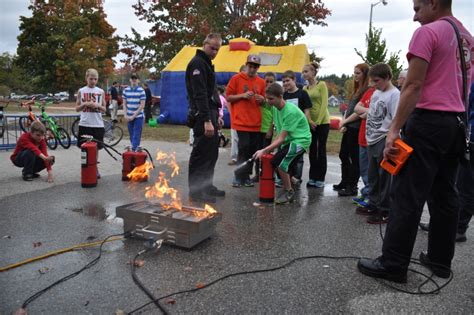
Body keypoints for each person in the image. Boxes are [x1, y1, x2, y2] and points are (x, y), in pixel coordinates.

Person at [358, 0, 473, 283]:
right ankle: (439, 260)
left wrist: (395, 129)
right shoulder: (466, 37)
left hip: (428, 121)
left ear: (433, 4)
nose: (414, 17)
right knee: (445, 194)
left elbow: (413, 84)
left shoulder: (428, 32)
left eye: (417, 8)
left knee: (407, 194)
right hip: (454, 123)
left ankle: (393, 264)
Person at [253, 83, 311, 204]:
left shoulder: (290, 111)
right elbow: (280, 134)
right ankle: (294, 180)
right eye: (267, 98)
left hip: (300, 140)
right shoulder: (275, 107)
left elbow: (281, 138)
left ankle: (289, 191)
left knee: (279, 163)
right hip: (290, 140)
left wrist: (265, 150)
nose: (268, 101)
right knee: (275, 162)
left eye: (271, 99)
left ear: (280, 96)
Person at [186, 33, 225, 203]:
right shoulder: (198, 63)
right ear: (204, 44)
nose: (214, 51)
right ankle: (196, 192)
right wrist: (207, 120)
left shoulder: (207, 64)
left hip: (211, 113)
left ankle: (206, 186)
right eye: (212, 47)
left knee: (211, 154)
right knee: (201, 154)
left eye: (217, 49)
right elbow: (200, 94)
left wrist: (217, 116)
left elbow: (211, 92)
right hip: (203, 115)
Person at [362, 63, 400, 224]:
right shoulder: (377, 92)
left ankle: (385, 210)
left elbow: (396, 118)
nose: (374, 84)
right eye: (372, 81)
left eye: (377, 80)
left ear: (387, 77)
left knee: (384, 177)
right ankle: (373, 204)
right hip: (371, 138)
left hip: (383, 138)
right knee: (372, 176)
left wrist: (390, 141)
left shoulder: (394, 95)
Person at [227, 55, 266, 187]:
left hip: (255, 122)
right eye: (250, 66)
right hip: (241, 121)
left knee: (251, 150)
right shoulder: (236, 78)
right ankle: (238, 176)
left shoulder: (261, 82)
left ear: (258, 68)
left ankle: (246, 176)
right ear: (246, 65)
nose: (252, 68)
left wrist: (263, 100)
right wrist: (242, 95)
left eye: (255, 66)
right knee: (243, 147)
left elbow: (266, 101)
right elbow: (228, 97)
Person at [335, 63, 370, 197]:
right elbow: (350, 109)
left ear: (365, 74)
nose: (355, 76)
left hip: (356, 128)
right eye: (354, 73)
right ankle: (344, 181)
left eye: (358, 73)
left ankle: (352, 186)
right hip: (349, 126)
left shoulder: (366, 90)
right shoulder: (357, 89)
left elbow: (358, 113)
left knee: (354, 158)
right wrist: (344, 122)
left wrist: (346, 121)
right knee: (343, 155)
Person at [302, 62, 330, 188]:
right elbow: (305, 106)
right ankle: (312, 177)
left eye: (306, 71)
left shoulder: (321, 85)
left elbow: (324, 104)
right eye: (303, 72)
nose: (304, 74)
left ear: (313, 72)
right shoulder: (304, 89)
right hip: (310, 122)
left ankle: (320, 178)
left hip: (322, 122)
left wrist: (317, 122)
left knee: (321, 150)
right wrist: (309, 121)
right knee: (312, 150)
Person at [281, 70, 312, 184]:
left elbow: (307, 111)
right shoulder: (284, 95)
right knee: (287, 154)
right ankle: (288, 177)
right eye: (284, 82)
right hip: (288, 129)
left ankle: (297, 178)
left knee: (298, 157)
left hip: (299, 130)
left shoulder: (302, 94)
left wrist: (302, 125)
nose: (286, 83)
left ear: (294, 80)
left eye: (288, 80)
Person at [75, 68, 106, 178]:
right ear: (86, 78)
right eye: (91, 79)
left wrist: (97, 106)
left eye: (95, 79)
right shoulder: (81, 91)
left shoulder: (100, 91)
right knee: (85, 148)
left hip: (97, 125)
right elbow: (77, 108)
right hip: (85, 124)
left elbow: (104, 109)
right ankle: (85, 168)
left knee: (96, 148)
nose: (93, 81)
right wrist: (85, 104)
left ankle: (94, 168)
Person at [353, 82, 376, 209]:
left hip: (373, 139)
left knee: (371, 171)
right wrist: (368, 112)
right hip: (362, 137)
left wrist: (367, 113)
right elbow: (357, 109)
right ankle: (366, 192)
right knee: (364, 169)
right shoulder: (368, 92)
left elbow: (376, 113)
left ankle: (370, 196)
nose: (371, 83)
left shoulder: (382, 94)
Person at [252, 72, 276, 182]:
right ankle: (257, 174)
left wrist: (270, 129)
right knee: (257, 152)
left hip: (266, 129)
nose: (269, 83)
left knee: (266, 153)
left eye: (271, 81)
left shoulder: (274, 97)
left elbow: (274, 115)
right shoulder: (260, 93)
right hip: (257, 127)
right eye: (267, 81)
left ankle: (266, 173)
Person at [122, 73, 146, 151]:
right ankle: (136, 150)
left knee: (136, 134)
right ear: (130, 80)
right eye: (132, 78)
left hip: (138, 117)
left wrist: (134, 116)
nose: (134, 80)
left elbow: (142, 105)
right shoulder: (126, 90)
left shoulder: (141, 91)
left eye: (135, 79)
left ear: (138, 80)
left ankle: (133, 151)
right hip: (129, 116)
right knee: (132, 135)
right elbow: (124, 104)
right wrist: (125, 114)